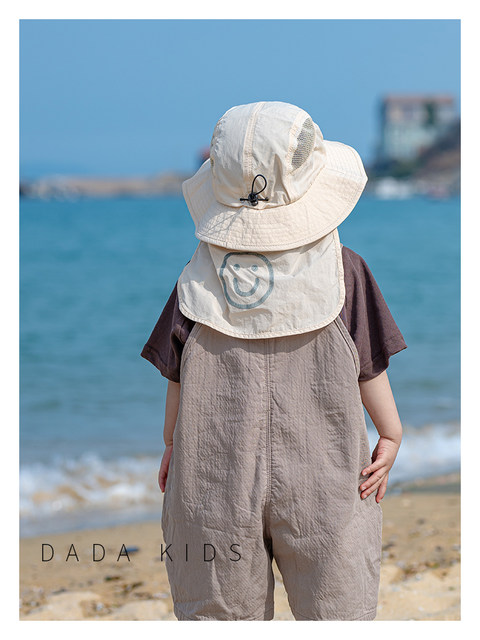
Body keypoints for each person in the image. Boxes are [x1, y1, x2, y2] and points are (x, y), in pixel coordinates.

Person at [141, 101, 407, 621]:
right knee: (336, 606)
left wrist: (173, 442)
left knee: (220, 610)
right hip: (326, 473)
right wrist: (391, 434)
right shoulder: (345, 272)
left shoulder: (197, 278)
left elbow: (178, 374)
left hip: (212, 474)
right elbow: (369, 365)